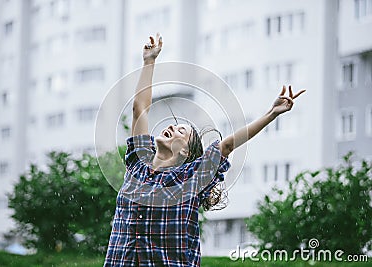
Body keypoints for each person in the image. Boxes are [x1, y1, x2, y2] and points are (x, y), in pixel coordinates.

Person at [103, 33, 305, 267]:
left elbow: (227, 146)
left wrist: (271, 114)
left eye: (182, 131)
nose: (172, 127)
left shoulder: (191, 178)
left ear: (186, 153)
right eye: (173, 126)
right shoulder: (137, 166)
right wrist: (149, 61)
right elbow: (140, 110)